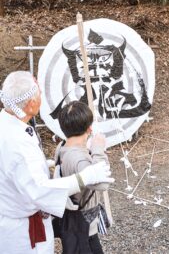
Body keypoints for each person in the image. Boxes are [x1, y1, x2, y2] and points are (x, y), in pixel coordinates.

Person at [0, 71, 114, 254]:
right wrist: (87, 176)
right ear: (31, 105)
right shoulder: (16, 143)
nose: (41, 97)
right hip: (22, 233)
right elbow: (39, 189)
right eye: (39, 94)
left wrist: (43, 165)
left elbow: (14, 169)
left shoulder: (7, 125)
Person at [55, 101, 109, 253]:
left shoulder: (62, 147)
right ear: (89, 128)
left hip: (71, 221)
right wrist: (98, 149)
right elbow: (102, 183)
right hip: (85, 228)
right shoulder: (80, 159)